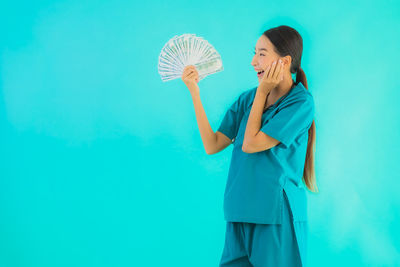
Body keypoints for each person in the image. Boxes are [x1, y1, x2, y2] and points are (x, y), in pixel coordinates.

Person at [181, 25, 317, 267]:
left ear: (284, 61)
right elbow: (212, 144)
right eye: (254, 53)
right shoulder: (247, 99)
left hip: (274, 216)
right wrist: (194, 92)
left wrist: (262, 93)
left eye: (262, 53)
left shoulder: (300, 103)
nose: (254, 61)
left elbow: (251, 144)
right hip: (239, 211)